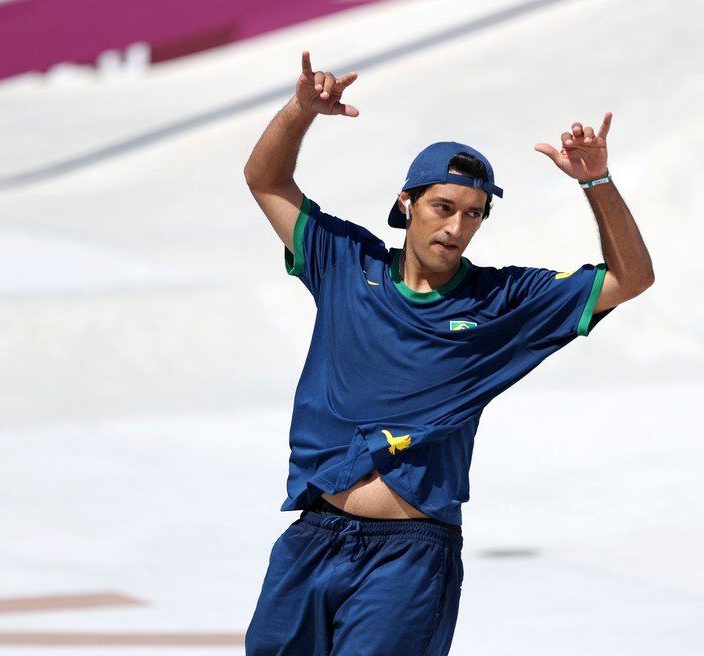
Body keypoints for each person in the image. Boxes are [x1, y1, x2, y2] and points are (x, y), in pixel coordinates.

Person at [241, 51, 653, 656]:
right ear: (407, 203)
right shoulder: (345, 263)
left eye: (473, 215)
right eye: (443, 207)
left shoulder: (503, 301)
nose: (457, 228)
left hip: (408, 561)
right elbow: (266, 181)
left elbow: (631, 278)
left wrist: (596, 181)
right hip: (313, 537)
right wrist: (301, 110)